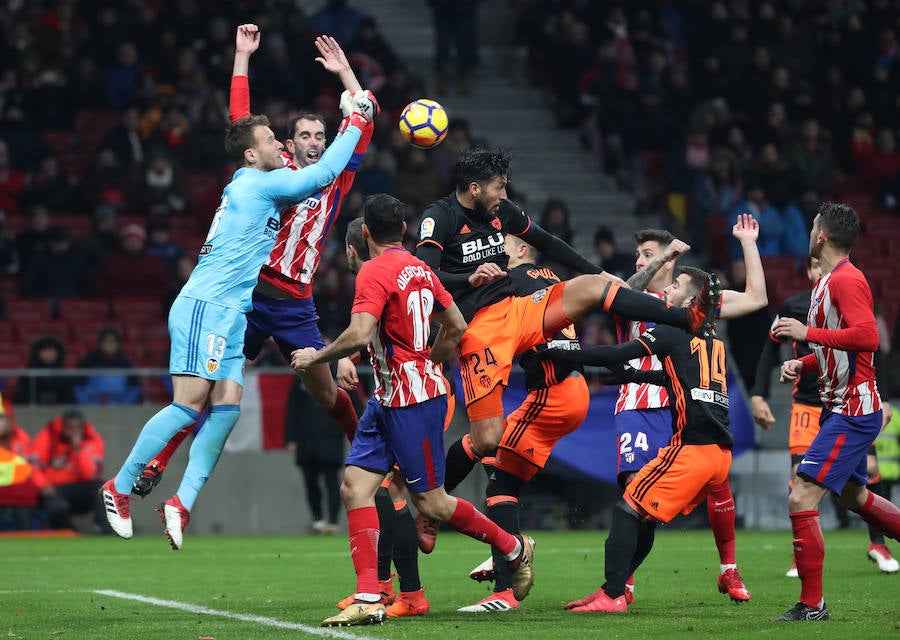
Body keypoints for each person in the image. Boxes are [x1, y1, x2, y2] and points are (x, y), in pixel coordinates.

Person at [99, 42, 379, 550]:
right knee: (192, 402)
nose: (312, 141)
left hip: (276, 302)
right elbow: (247, 127)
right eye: (298, 136)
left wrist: (346, 80)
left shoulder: (288, 178)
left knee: (229, 405)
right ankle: (125, 483)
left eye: (322, 135)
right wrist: (353, 116)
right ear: (285, 147)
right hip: (232, 299)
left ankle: (181, 501)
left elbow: (258, 135)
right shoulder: (272, 181)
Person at [414, 147, 720, 552]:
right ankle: (431, 507)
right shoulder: (441, 217)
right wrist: (468, 277)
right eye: (498, 187)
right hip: (479, 328)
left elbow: (548, 241)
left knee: (594, 287)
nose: (504, 194)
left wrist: (599, 272)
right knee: (487, 440)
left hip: (519, 311)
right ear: (474, 188)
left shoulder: (501, 213)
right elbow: (424, 275)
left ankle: (685, 318)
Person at [290, 194, 535, 627]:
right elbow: (456, 325)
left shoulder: (372, 271)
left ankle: (513, 548)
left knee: (433, 503)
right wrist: (429, 359)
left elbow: (360, 333)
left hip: (413, 403)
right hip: (389, 399)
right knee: (355, 488)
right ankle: (369, 594)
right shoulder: (421, 268)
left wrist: (317, 357)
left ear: (365, 233)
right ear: (403, 231)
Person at [538, 266, 736, 613]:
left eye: (675, 286)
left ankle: (613, 594)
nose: (667, 291)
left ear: (691, 300)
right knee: (642, 515)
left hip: (695, 449)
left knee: (628, 507)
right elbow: (676, 378)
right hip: (718, 456)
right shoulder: (712, 339)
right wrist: (635, 375)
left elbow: (616, 353)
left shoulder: (672, 329)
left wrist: (566, 355)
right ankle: (612, 588)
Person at [610, 214, 767, 604]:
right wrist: (660, 260)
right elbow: (622, 292)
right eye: (638, 254)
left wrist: (747, 243)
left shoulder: (695, 303)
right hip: (637, 405)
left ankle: (728, 570)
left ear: (674, 263)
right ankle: (623, 583)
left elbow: (755, 299)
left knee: (718, 480)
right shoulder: (634, 294)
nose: (638, 260)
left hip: (685, 409)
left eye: (647, 254)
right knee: (635, 493)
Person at [773, 202, 900, 621]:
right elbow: (835, 345)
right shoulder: (827, 282)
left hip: (852, 411)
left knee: (801, 495)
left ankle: (812, 605)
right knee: (854, 495)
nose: (809, 232)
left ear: (822, 236)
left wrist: (805, 333)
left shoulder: (847, 280)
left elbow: (867, 337)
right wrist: (803, 362)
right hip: (837, 408)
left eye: (812, 226)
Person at [460, 233, 590, 612]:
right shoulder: (554, 279)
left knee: (496, 473)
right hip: (570, 388)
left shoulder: (514, 280)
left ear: (521, 251)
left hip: (553, 391)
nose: (492, 250)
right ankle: (514, 543)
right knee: (494, 459)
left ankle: (506, 579)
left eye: (501, 243)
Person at [751, 258, 899, 575]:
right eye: (815, 267)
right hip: (809, 404)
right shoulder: (796, 305)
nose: (820, 271)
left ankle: (877, 545)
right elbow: (769, 348)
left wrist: (883, 397)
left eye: (824, 266)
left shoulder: (848, 294)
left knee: (862, 477)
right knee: (804, 484)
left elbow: (870, 347)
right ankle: (801, 556)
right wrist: (758, 393)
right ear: (807, 271)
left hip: (849, 404)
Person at [283, 378, 345, 535]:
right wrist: (291, 438)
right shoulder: (301, 378)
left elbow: (353, 406)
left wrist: (348, 430)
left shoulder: (337, 375)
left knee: (332, 483)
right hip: (306, 440)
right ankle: (318, 521)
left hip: (331, 440)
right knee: (311, 483)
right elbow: (292, 408)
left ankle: (332, 522)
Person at [32, 410, 108, 532]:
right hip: (54, 489)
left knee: (103, 490)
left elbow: (90, 474)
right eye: (69, 427)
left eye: (78, 428)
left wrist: (78, 450)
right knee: (58, 507)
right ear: (63, 427)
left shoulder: (92, 439)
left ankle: (104, 529)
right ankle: (69, 533)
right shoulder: (48, 436)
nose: (73, 431)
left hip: (80, 487)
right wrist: (43, 485)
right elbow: (35, 466)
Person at [74, 326, 143, 405]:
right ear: (100, 343)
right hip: (91, 406)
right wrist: (87, 403)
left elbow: (134, 388)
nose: (110, 345)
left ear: (118, 344)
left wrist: (123, 405)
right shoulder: (88, 361)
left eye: (113, 342)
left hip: (119, 408)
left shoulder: (125, 363)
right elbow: (79, 387)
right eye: (106, 341)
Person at [0, 413, 38, 530]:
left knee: (24, 506)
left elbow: (30, 467)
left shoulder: (22, 439)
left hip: (19, 490)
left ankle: (26, 538)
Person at [15, 335, 76, 405]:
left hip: (59, 411)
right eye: (45, 350)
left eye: (51, 351)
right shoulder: (28, 375)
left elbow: (69, 400)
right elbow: (21, 398)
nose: (48, 354)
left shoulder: (64, 375)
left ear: (58, 353)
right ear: (38, 353)